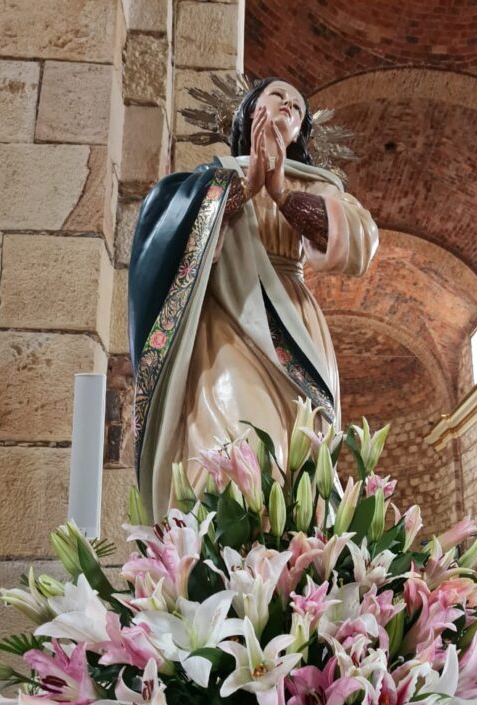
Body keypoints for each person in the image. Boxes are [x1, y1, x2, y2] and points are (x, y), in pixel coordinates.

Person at [128, 78, 379, 521]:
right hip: (227, 316)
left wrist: (282, 193)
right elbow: (169, 232)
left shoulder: (319, 185)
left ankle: (292, 555)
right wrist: (245, 185)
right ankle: (218, 549)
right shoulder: (211, 178)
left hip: (293, 322)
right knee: (235, 442)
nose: (289, 105)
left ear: (301, 132)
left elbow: (358, 242)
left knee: (300, 454)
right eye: (277, 96)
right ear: (249, 111)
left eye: (298, 107)